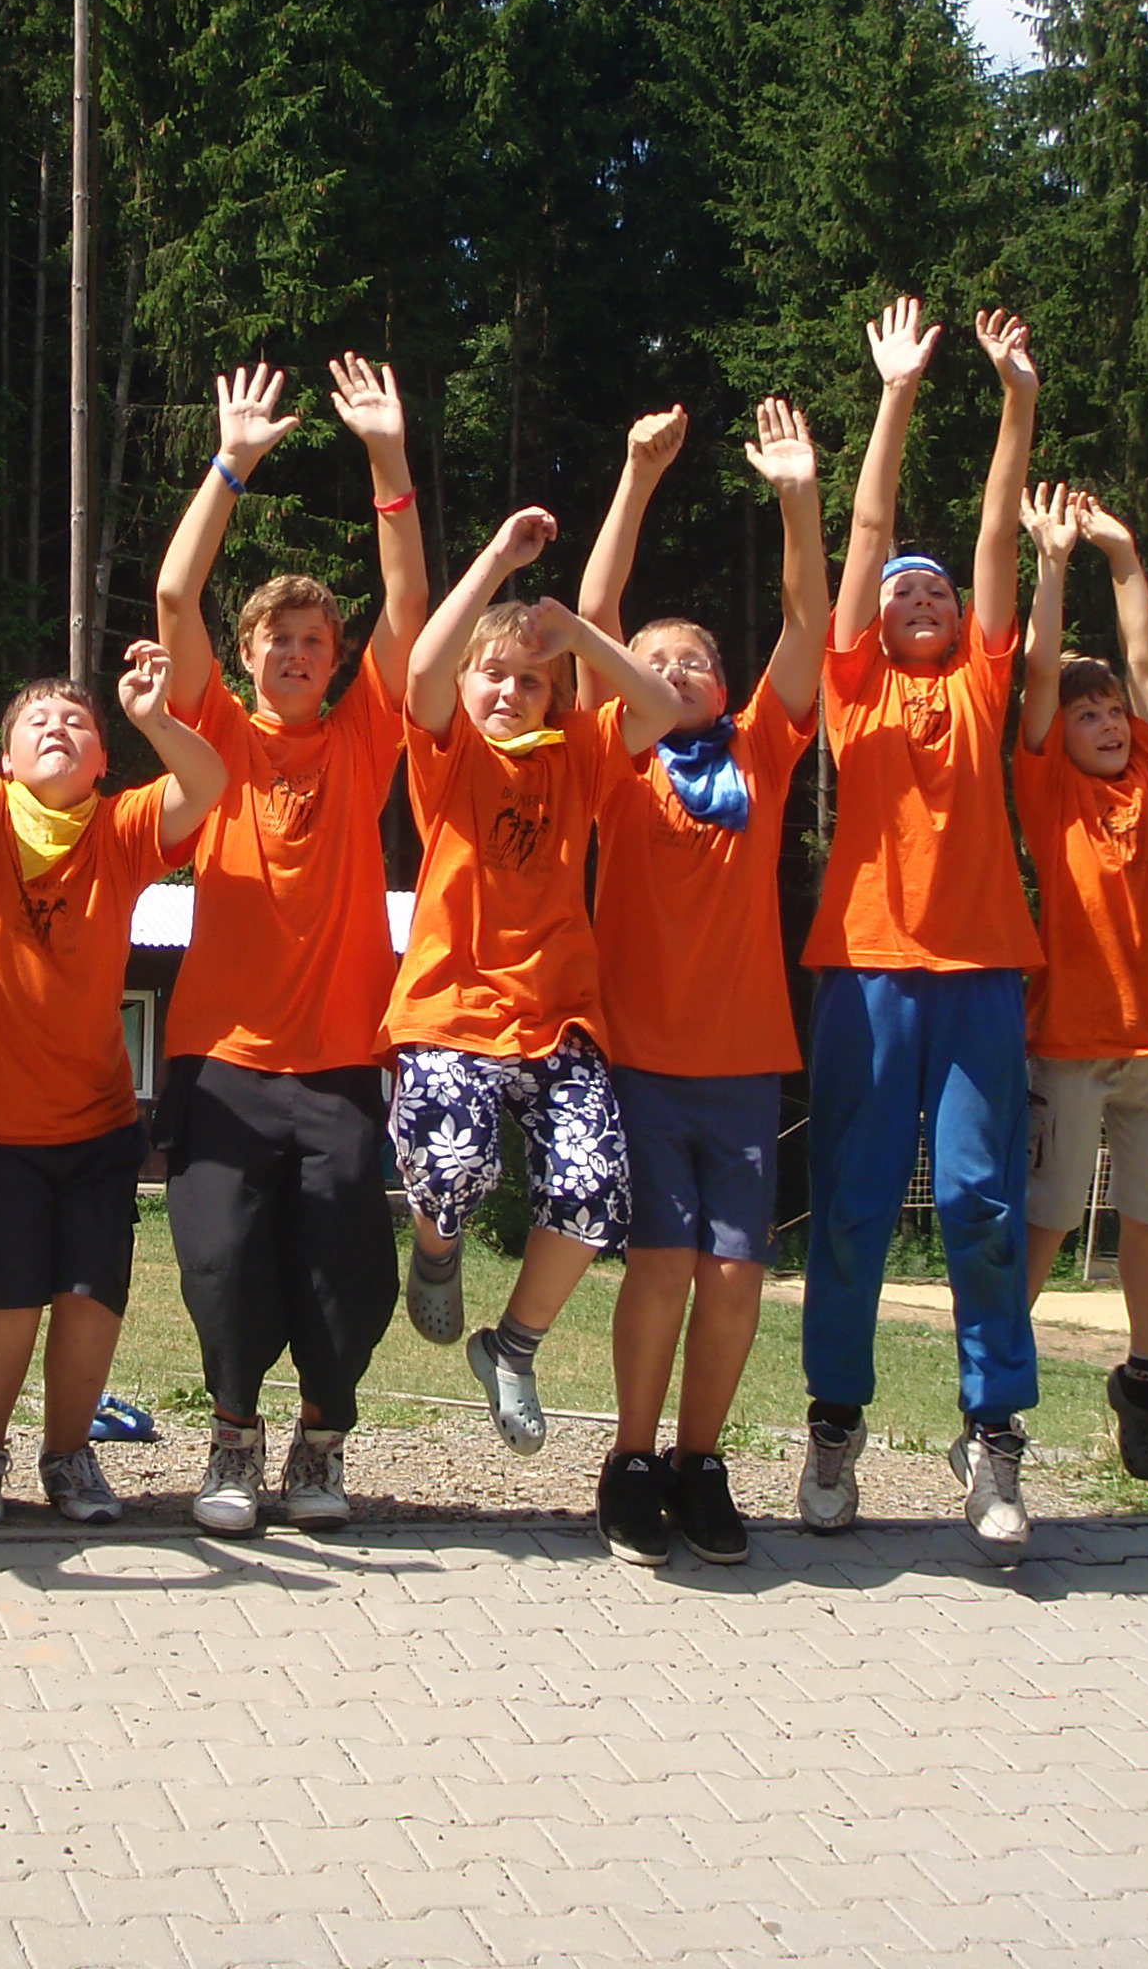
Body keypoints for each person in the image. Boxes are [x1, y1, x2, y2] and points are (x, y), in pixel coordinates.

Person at [147, 357, 425, 1535]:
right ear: (249, 652)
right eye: (278, 639)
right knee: (219, 1263)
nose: (298, 654)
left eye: (316, 640)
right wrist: (231, 463)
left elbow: (409, 609)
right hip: (220, 1062)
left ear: (335, 657)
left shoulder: (364, 739)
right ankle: (231, 1437)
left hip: (341, 1063)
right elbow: (175, 594)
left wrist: (387, 456)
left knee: (347, 1276)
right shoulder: (215, 732)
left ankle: (319, 1441)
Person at [0, 547, 226, 1528]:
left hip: (93, 1120)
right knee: (5, 1292)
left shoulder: (119, 830)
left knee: (92, 1293)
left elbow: (207, 783)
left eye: (78, 721)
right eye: (36, 719)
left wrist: (156, 718)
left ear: (101, 761)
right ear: (3, 758)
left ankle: (70, 1457)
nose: (57, 725)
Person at [798, 297, 1045, 1562]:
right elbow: (868, 531)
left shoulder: (985, 682)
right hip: (866, 972)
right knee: (851, 1206)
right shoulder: (850, 685)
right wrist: (895, 393)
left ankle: (993, 1436)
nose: (926, 599)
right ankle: (833, 1425)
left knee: (978, 1202)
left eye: (940, 593)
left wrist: (1016, 400)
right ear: (879, 621)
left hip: (982, 974)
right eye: (909, 593)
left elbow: (999, 532)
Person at [578, 397, 828, 1567]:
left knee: (736, 1273)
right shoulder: (616, 763)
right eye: (657, 661)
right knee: (663, 1264)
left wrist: (798, 500)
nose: (677, 669)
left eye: (698, 660)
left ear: (727, 687)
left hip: (740, 1065)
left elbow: (808, 622)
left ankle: (699, 1460)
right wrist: (636, 478)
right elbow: (594, 617)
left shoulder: (762, 752)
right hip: (638, 1058)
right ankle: (631, 1461)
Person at [385, 508, 680, 1458]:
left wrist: (577, 635)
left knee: (596, 1190)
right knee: (454, 1164)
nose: (510, 690)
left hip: (557, 1020)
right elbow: (424, 672)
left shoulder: (579, 755)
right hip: (451, 1009)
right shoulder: (450, 753)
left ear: (555, 697)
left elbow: (659, 709)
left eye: (530, 680)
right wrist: (498, 558)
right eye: (494, 675)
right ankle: (437, 1249)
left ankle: (511, 1347)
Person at [1013, 485, 1148, 1481]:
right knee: (1050, 1217)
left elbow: (1146, 664)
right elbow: (1039, 677)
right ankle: (995, 1376)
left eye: (1112, 713)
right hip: (1071, 1046)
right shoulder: (1049, 791)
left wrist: (1125, 558)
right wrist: (1052, 564)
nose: (1106, 722)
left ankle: (1142, 1373)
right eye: (1085, 714)